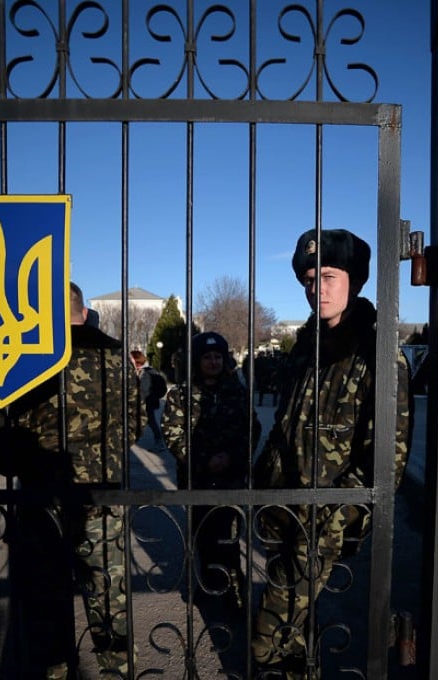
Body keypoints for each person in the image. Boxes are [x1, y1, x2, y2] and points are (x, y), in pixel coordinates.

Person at [250, 228, 413, 677]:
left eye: (328, 276)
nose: (316, 289)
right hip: (282, 509)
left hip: (323, 524)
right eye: (307, 280)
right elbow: (285, 424)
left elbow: (387, 461)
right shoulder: (306, 348)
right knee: (294, 640)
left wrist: (333, 522)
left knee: (265, 638)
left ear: (354, 281)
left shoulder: (378, 356)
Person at [0, 281, 135, 678]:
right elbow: (135, 422)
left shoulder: (25, 360)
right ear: (84, 313)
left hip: (43, 496)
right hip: (103, 494)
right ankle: (117, 667)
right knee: (108, 592)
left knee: (47, 598)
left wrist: (22, 461)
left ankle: (55, 671)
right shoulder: (116, 357)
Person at [160, 332, 261, 612]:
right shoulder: (180, 393)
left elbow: (252, 429)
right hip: (197, 478)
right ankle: (208, 587)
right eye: (207, 357)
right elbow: (172, 433)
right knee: (202, 537)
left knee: (228, 539)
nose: (213, 362)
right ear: (197, 360)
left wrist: (231, 457)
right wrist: (202, 460)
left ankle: (235, 595)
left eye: (218, 356)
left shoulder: (236, 390)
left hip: (231, 478)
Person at [129, 348, 167, 449]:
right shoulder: (148, 371)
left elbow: (144, 390)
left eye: (131, 359)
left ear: (136, 361)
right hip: (150, 401)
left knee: (151, 421)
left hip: (147, 402)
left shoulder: (144, 373)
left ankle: (160, 443)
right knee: (150, 421)